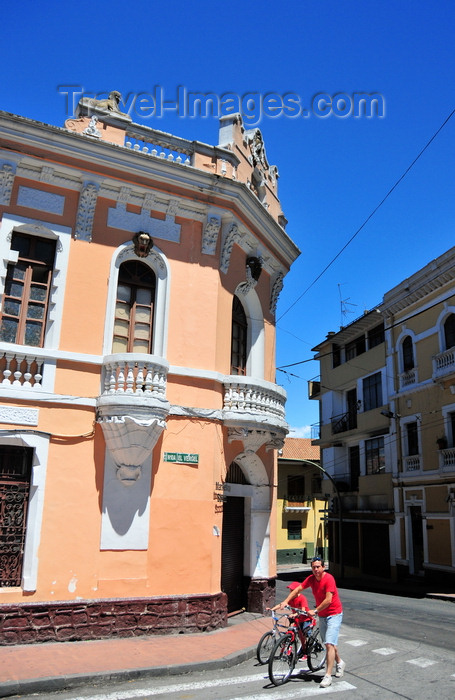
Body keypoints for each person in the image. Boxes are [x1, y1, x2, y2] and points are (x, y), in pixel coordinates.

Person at [273, 557, 345, 688]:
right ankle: (339, 662)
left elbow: (328, 600)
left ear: (323, 567)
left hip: (334, 614)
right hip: (323, 615)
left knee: (329, 643)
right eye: (313, 567)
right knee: (330, 644)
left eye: (318, 567)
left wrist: (315, 610)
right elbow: (297, 589)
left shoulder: (329, 579)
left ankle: (327, 676)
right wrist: (285, 601)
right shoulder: (311, 579)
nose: (316, 569)